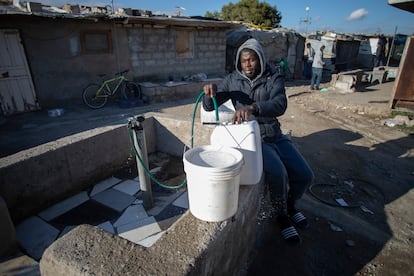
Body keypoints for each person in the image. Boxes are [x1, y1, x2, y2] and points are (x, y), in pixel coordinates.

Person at [202, 38, 314, 245]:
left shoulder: (274, 78)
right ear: (239, 61)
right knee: (278, 173)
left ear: (260, 59)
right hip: (252, 139)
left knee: (305, 174)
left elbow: (280, 104)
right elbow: (210, 107)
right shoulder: (232, 80)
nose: (248, 65)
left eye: (252, 60)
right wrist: (209, 95)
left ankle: (290, 206)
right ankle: (280, 216)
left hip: (274, 134)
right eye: (244, 61)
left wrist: (253, 108)